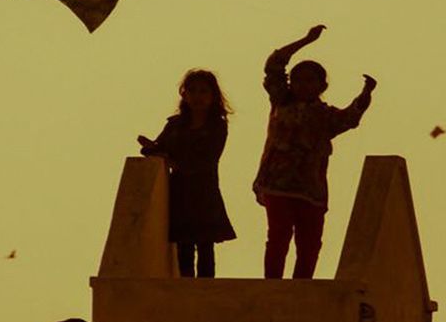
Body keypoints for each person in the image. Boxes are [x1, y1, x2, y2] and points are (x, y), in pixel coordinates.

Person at [251, 24, 377, 279]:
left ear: (321, 85)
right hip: (277, 183)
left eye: (310, 80)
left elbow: (350, 118)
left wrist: (365, 95)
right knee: (278, 237)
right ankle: (273, 284)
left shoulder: (324, 116)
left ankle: (301, 287)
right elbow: (274, 65)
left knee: (309, 244)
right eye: (298, 79)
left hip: (311, 189)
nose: (303, 85)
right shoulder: (281, 101)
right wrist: (306, 40)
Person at [137, 69, 237, 277]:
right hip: (180, 190)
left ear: (212, 96)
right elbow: (159, 146)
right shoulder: (175, 125)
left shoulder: (217, 126)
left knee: (205, 245)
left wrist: (171, 159)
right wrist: (151, 148)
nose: (197, 96)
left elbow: (207, 159)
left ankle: (204, 290)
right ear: (185, 94)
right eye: (192, 91)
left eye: (203, 91)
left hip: (204, 190)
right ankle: (185, 287)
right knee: (184, 246)